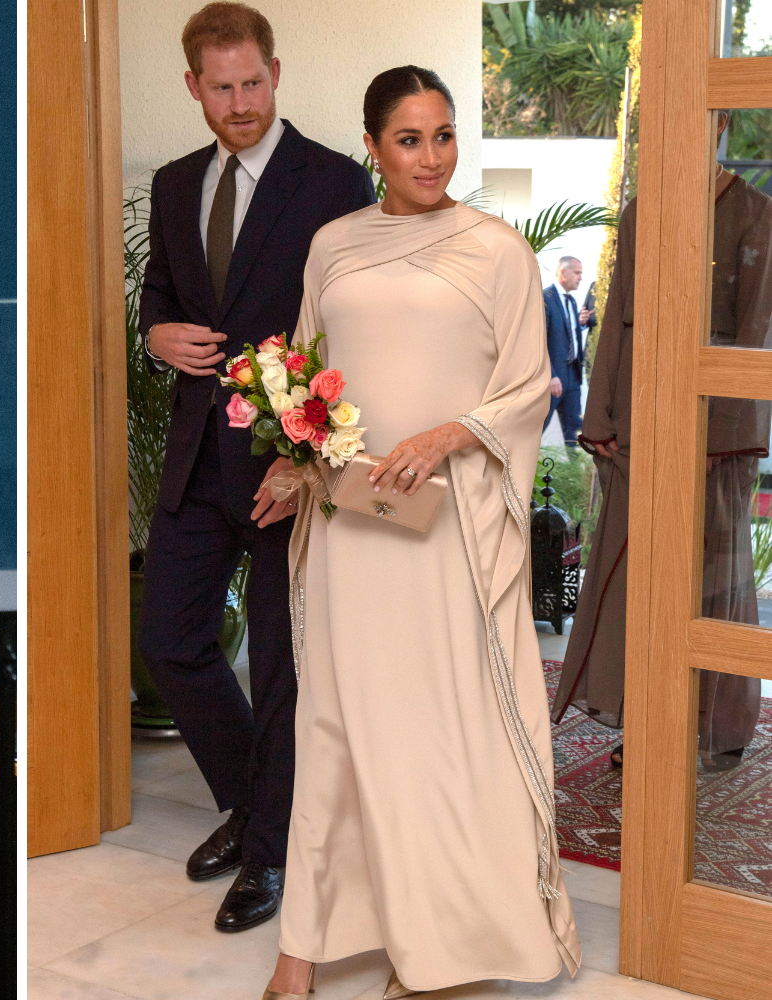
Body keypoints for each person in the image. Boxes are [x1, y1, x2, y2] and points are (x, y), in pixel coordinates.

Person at [260, 67, 581, 999]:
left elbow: (530, 388)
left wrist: (450, 435)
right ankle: (304, 946)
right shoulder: (332, 245)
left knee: (441, 731)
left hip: (451, 530)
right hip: (352, 528)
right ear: (373, 147)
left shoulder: (498, 251)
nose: (431, 157)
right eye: (410, 139)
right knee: (336, 726)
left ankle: (440, 950)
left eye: (444, 137)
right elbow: (310, 381)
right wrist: (294, 462)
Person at [135, 1, 375, 933]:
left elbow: (355, 328)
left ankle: (273, 854)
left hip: (288, 465)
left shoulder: (333, 182)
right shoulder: (174, 182)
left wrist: (309, 462)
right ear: (193, 87)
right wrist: (157, 332)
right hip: (197, 456)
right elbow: (164, 289)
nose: (240, 102)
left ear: (276, 75)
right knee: (170, 639)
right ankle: (252, 802)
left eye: (253, 83)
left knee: (281, 666)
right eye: (221, 87)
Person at [554, 111, 771, 770]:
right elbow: (620, 319)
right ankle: (645, 721)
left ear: (722, 121)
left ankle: (715, 728)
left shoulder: (756, 213)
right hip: (641, 435)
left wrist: (714, 436)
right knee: (637, 582)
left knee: (713, 586)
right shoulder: (645, 210)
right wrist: (603, 420)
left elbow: (756, 335)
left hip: (718, 441)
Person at [543, 256, 590, 447]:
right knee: (536, 429)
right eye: (577, 273)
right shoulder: (545, 298)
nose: (580, 278)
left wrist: (580, 325)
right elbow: (539, 341)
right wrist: (551, 375)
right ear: (563, 272)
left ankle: (575, 475)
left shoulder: (571, 302)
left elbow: (564, 334)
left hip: (572, 378)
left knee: (575, 433)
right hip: (553, 379)